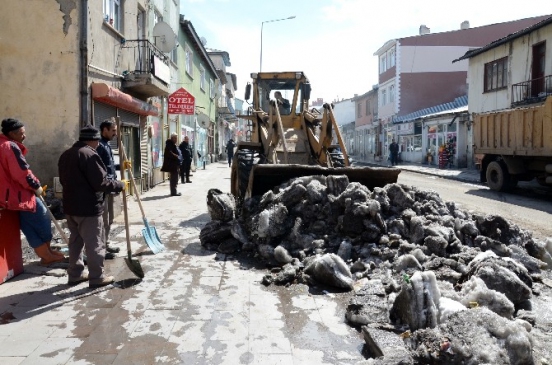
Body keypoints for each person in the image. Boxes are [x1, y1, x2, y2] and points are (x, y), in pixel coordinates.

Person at [58, 124, 125, 288]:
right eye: (97, 141)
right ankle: (97, 277)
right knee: (95, 242)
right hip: (88, 208)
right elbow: (100, 182)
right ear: (93, 140)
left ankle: (75, 274)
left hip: (70, 207)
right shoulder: (89, 154)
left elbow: (62, 181)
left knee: (75, 242)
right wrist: (119, 185)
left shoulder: (66, 154)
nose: (98, 144)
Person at [0, 118, 66, 266]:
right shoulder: (9, 147)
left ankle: (47, 253)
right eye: (22, 133)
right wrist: (36, 185)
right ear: (11, 133)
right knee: (42, 218)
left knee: (28, 225)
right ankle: (46, 255)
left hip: (7, 195)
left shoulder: (2, 144)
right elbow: (21, 172)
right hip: (19, 194)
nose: (24, 136)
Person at [95, 118, 121, 260]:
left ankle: (106, 242)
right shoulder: (99, 146)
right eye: (113, 131)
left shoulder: (107, 145)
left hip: (110, 188)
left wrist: (120, 166)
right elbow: (100, 170)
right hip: (103, 189)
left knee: (110, 218)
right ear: (105, 130)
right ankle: (102, 247)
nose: (115, 134)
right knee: (104, 219)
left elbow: (109, 166)